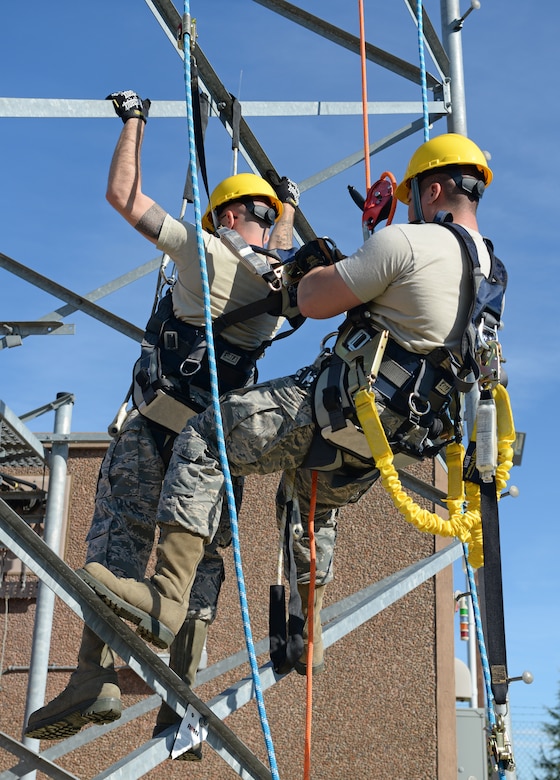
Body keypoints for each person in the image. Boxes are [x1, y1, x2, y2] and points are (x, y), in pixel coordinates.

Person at [77, 132, 499, 702]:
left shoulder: (407, 242)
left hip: (336, 405)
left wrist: (332, 263)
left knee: (207, 438)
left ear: (436, 188)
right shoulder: (491, 273)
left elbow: (313, 300)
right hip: (392, 435)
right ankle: (306, 630)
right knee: (310, 501)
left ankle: (166, 599)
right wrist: (291, 216)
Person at [24, 90, 302, 757]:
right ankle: (182, 702)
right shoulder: (282, 287)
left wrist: (134, 121)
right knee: (199, 559)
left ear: (228, 215)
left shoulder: (203, 251)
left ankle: (96, 673)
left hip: (157, 428)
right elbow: (281, 246)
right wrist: (286, 210)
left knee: (115, 544)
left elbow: (124, 194)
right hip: (216, 445)